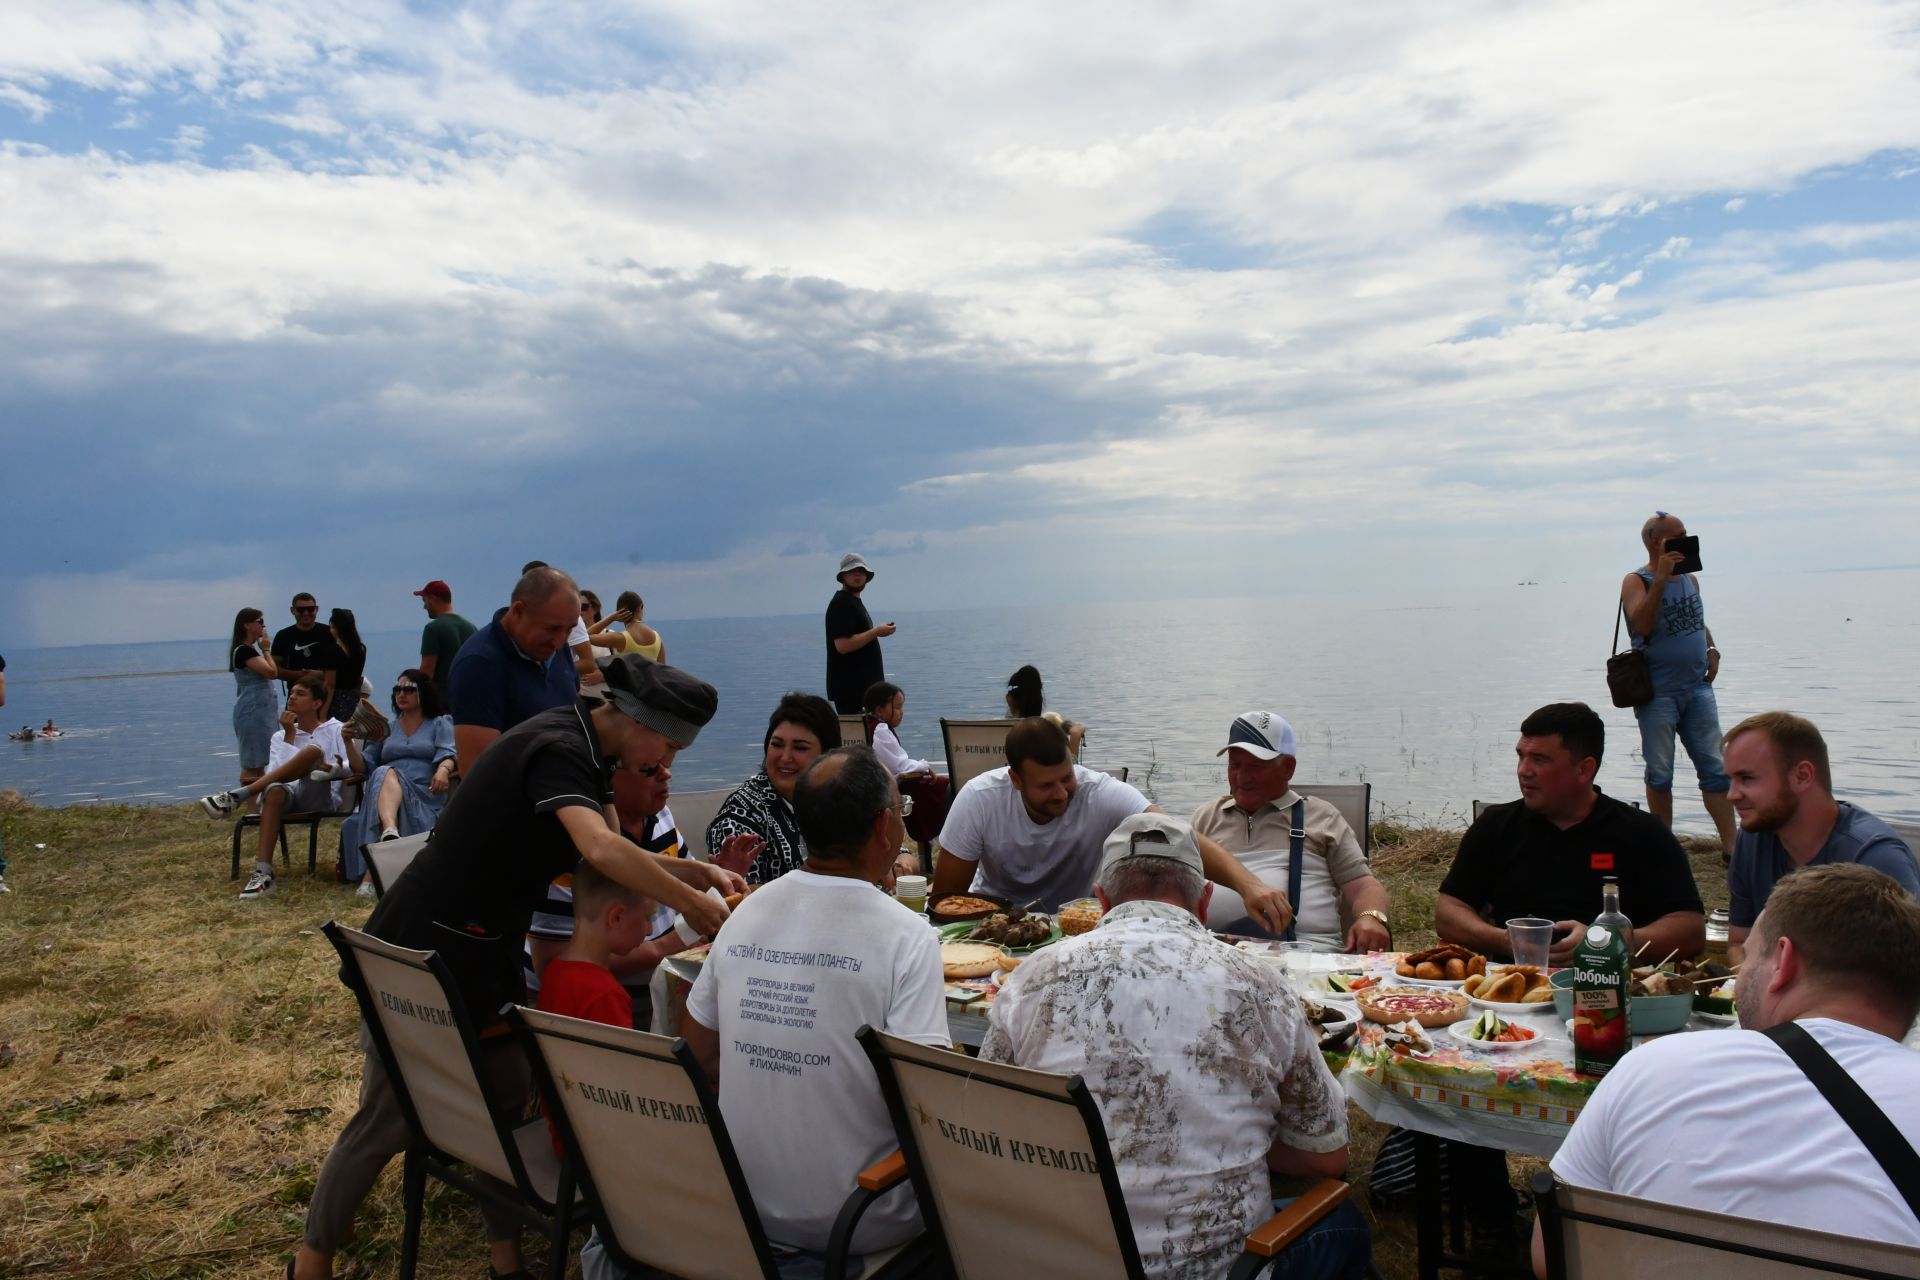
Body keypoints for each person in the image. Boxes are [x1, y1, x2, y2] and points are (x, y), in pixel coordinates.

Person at [290, 655, 742, 1280]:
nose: (664, 764)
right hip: (425, 946)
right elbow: (599, 848)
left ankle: (506, 1259)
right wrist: (693, 903)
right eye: (664, 746)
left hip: (485, 948)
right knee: (388, 1113)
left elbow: (614, 859)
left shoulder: (591, 750)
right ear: (636, 722)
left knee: (500, 1090)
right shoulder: (559, 748)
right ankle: (309, 1263)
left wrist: (697, 871)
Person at [982, 813, 1367, 1280]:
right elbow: (1326, 1156)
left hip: (1060, 1259)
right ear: (1205, 902)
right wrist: (1226, 1135)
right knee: (1345, 1224)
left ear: (1102, 900)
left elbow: (991, 1126)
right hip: (1229, 1269)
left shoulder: (1028, 980)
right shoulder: (1263, 986)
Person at [1533, 863, 1920, 1275]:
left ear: (1783, 962)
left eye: (1751, 955)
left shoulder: (1652, 1067)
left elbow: (1552, 1253)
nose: (1742, 974)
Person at [683, 747, 948, 1274]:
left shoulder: (744, 913)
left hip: (740, 1202)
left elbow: (696, 1057)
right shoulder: (906, 934)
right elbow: (927, 1101)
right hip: (862, 1214)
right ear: (883, 826)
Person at [933, 717, 1297, 926]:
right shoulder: (979, 800)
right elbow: (946, 899)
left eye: (1067, 777)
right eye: (1046, 786)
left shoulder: (1099, 792)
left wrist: (1248, 885)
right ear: (1015, 781)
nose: (1062, 793)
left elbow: (1174, 834)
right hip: (997, 926)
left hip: (1079, 928)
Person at [1436, 701, 1706, 965]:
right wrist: (1507, 940)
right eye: (1521, 756)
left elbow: (1690, 930)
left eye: (1539, 760)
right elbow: (1449, 913)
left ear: (1584, 769)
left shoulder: (1642, 833)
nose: (1523, 771)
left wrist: (1607, 942)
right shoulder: (1497, 825)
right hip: (1514, 989)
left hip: (1611, 990)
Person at [1721, 712, 1918, 964]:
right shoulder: (1752, 840)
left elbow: (1905, 975)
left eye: (1746, 778)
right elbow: (1740, 943)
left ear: (1802, 776)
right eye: (1731, 780)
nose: (1731, 795)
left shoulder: (1873, 857)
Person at [1191, 711, 1393, 953]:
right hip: (1216, 954)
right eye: (1235, 765)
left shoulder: (1322, 817)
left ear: (1288, 768)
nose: (1242, 777)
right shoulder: (1206, 817)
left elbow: (1364, 887)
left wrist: (1371, 917)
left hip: (1307, 956)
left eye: (1256, 766)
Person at [1621, 512, 1738, 852]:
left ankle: (1731, 848)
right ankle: (1663, 849)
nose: (1688, 539)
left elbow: (1696, 621)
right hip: (1658, 692)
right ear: (1658, 542)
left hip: (1697, 687)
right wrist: (1660, 579)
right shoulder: (1636, 580)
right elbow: (1641, 623)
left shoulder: (1690, 579)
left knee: (1716, 768)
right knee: (1660, 773)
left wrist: (1711, 648)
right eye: (1680, 535)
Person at [198, 675, 360, 900]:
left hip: (319, 793)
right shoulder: (280, 735)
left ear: (317, 703)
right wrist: (290, 737)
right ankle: (263, 872)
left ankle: (239, 795)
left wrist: (332, 768)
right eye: (291, 692)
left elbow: (353, 766)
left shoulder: (335, 729)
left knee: (313, 751)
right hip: (286, 795)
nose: (292, 697)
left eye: (300, 694)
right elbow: (276, 775)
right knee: (274, 790)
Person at [532, 860, 650, 1144]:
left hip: (564, 1131)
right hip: (598, 1147)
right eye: (648, 917)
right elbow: (619, 1094)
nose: (649, 930)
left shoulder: (556, 972)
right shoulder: (604, 995)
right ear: (617, 917)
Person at [446, 566, 583, 774]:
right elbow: (478, 776)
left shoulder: (556, 648)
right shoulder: (479, 665)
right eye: (552, 629)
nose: (560, 641)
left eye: (570, 629)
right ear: (518, 611)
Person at [339, 670, 455, 896]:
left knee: (385, 773)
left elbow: (449, 753)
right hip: (387, 789)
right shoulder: (387, 728)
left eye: (409, 689)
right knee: (383, 772)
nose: (401, 694)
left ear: (423, 692)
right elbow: (364, 766)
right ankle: (389, 830)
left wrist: (442, 769)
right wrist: (348, 743)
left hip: (424, 792)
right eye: (397, 690)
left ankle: (372, 875)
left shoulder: (440, 723)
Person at [706, 693, 842, 885]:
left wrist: (900, 857)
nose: (785, 757)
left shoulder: (838, 796)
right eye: (777, 745)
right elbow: (740, 895)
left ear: (828, 755)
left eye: (800, 748)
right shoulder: (741, 815)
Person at [862, 681, 948, 853]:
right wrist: (924, 766)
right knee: (946, 788)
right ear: (880, 710)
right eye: (898, 707)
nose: (902, 712)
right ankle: (943, 840)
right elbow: (901, 766)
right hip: (891, 785)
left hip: (875, 782)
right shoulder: (880, 730)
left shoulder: (866, 725)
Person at [824, 553, 892, 714]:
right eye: (852, 571)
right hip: (852, 691)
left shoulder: (852, 602)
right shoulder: (841, 603)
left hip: (863, 691)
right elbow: (843, 645)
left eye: (861, 571)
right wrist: (876, 631)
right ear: (842, 577)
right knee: (857, 738)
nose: (857, 574)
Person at [522, 559, 605, 692]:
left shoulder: (568, 615)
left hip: (560, 693)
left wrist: (552, 672)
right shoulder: (522, 615)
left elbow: (588, 662)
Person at [227, 607, 280, 787]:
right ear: (247, 625)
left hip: (262, 712)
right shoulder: (243, 650)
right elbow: (272, 672)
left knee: (263, 760)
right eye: (260, 622)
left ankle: (260, 802)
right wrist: (266, 649)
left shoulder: (249, 649)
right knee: (252, 762)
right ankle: (252, 807)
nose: (263, 626)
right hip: (252, 711)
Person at [271, 592, 343, 705]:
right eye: (300, 610)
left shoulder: (329, 633)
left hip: (327, 697)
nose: (306, 613)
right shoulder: (283, 636)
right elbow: (274, 670)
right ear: (292, 610)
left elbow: (344, 669)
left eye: (310, 609)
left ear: (316, 609)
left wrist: (319, 675)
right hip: (296, 697)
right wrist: (301, 675)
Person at [412, 579, 475, 707]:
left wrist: (415, 700)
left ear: (433, 599)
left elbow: (427, 670)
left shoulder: (433, 629)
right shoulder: (472, 628)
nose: (424, 606)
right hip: (467, 700)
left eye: (424, 601)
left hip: (441, 703)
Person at [1005, 663, 1085, 757]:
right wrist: (1075, 735)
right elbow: (1068, 769)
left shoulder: (992, 730)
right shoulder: (1047, 733)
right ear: (1040, 698)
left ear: (1008, 699)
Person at [589, 590, 665, 663]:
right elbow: (662, 671)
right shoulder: (657, 638)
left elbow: (585, 637)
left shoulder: (620, 638)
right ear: (640, 608)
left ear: (618, 612)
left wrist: (611, 618)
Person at [325, 608, 369, 726]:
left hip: (337, 701)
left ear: (335, 627)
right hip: (354, 698)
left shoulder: (333, 651)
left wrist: (322, 712)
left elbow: (330, 685)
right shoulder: (361, 649)